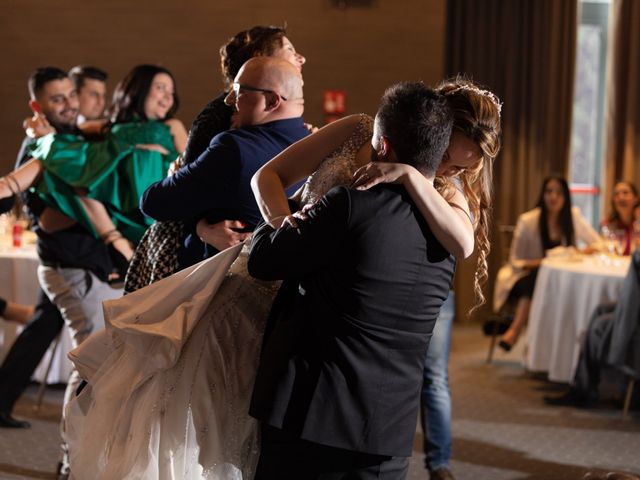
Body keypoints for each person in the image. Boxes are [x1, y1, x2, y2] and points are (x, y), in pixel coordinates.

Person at [251, 77, 502, 480]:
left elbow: (463, 244)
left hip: (337, 342)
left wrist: (409, 175)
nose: (451, 173)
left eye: (464, 168)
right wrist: (288, 224)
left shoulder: (443, 192)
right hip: (296, 285)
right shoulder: (358, 131)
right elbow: (267, 178)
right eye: (451, 160)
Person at [125, 25, 306, 291]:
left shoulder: (268, 135)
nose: (301, 58)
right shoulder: (218, 119)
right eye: (290, 50)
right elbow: (190, 190)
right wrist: (201, 228)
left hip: (233, 275)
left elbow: (164, 196)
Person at [0, 64, 187, 272]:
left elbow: (189, 170)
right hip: (117, 202)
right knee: (67, 155)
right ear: (139, 89)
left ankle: (7, 186)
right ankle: (117, 242)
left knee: (67, 156)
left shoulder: (172, 126)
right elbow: (73, 137)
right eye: (160, 88)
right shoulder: (110, 128)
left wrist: (145, 151)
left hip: (150, 199)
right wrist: (38, 130)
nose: (168, 97)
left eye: (171, 91)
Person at [494, 176, 601, 351]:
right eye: (549, 191)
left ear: (566, 196)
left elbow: (597, 242)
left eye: (558, 192)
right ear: (542, 195)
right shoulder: (528, 220)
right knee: (540, 275)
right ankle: (517, 330)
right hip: (524, 277)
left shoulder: (572, 216)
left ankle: (550, 344)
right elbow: (515, 262)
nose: (553, 197)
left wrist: (577, 252)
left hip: (559, 281)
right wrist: (546, 262)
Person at [600, 181, 639, 256]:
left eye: (625, 193)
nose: (621, 197)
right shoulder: (607, 224)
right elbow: (602, 248)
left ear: (635, 199)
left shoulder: (638, 223)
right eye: (616, 194)